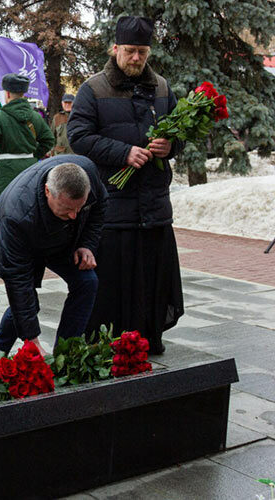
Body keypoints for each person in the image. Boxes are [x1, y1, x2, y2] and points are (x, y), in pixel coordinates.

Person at [68, 16, 184, 354]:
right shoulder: (94, 88)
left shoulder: (162, 87)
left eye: (142, 52)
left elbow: (179, 135)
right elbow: (79, 136)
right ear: (115, 48)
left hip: (155, 208)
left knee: (153, 281)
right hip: (114, 206)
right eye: (130, 51)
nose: (136, 58)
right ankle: (110, 345)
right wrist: (123, 153)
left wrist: (170, 145)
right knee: (114, 285)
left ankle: (148, 338)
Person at [0, 156, 108, 363]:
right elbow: (18, 281)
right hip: (6, 238)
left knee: (87, 281)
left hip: (60, 236)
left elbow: (101, 207)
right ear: (48, 191)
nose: (75, 215)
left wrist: (86, 244)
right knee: (27, 298)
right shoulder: (17, 215)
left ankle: (66, 353)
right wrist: (31, 339)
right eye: (67, 209)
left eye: (79, 208)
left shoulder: (89, 174)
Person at [0, 74, 54, 207]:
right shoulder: (35, 116)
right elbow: (48, 140)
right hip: (30, 166)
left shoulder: (0, 117)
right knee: (28, 205)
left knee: (4, 207)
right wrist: (34, 154)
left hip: (6, 168)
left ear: (7, 94)